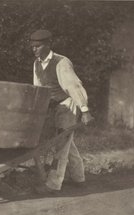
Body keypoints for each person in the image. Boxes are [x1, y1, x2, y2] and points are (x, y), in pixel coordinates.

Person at [30, 29, 93, 194]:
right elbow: (39, 90)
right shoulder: (36, 64)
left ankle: (53, 184)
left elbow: (74, 86)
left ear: (48, 45)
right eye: (33, 46)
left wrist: (84, 110)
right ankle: (79, 178)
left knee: (61, 145)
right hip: (54, 107)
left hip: (68, 105)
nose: (34, 49)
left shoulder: (61, 62)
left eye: (38, 46)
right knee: (66, 143)